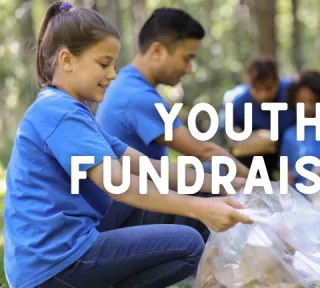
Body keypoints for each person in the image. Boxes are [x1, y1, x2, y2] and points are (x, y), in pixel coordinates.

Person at [3, 2, 252, 287]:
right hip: (53, 263)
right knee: (189, 244)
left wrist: (228, 184)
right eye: (103, 63)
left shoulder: (69, 110)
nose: (111, 74)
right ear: (67, 60)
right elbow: (118, 183)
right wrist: (199, 207)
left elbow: (147, 166)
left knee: (176, 198)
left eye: (114, 64)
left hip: (60, 248)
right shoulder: (60, 113)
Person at [95, 8, 250, 241]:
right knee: (214, 175)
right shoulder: (138, 97)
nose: (189, 69)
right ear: (157, 50)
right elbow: (204, 152)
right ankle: (233, 267)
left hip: (126, 206)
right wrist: (263, 187)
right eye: (186, 59)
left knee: (210, 178)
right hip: (126, 213)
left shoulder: (127, 85)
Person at [280, 70, 320, 214]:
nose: (307, 107)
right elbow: (287, 174)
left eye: (312, 101)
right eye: (301, 101)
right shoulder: (290, 134)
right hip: (299, 195)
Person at [222, 56, 296, 179]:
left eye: (268, 88)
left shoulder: (291, 92)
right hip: (260, 157)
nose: (263, 95)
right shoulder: (238, 103)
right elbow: (234, 141)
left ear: (277, 81)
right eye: (257, 89)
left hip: (292, 151)